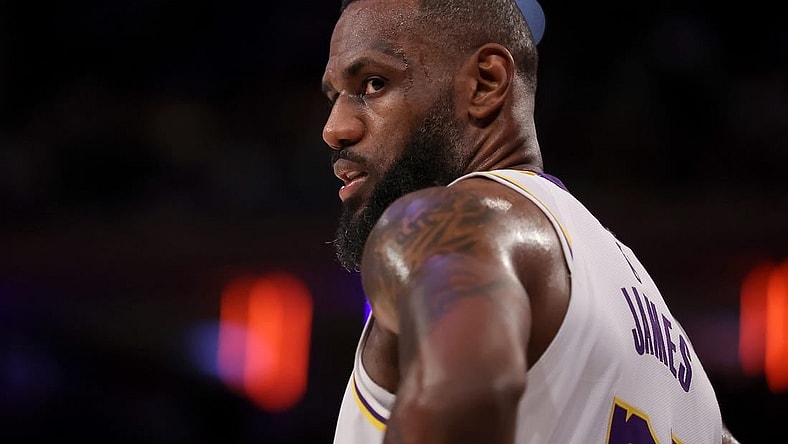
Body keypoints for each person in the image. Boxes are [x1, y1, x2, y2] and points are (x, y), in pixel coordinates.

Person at [320, 0, 741, 442]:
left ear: (486, 83)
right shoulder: (678, 356)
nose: (334, 129)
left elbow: (463, 401)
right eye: (334, 97)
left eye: (373, 84)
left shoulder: (451, 225)